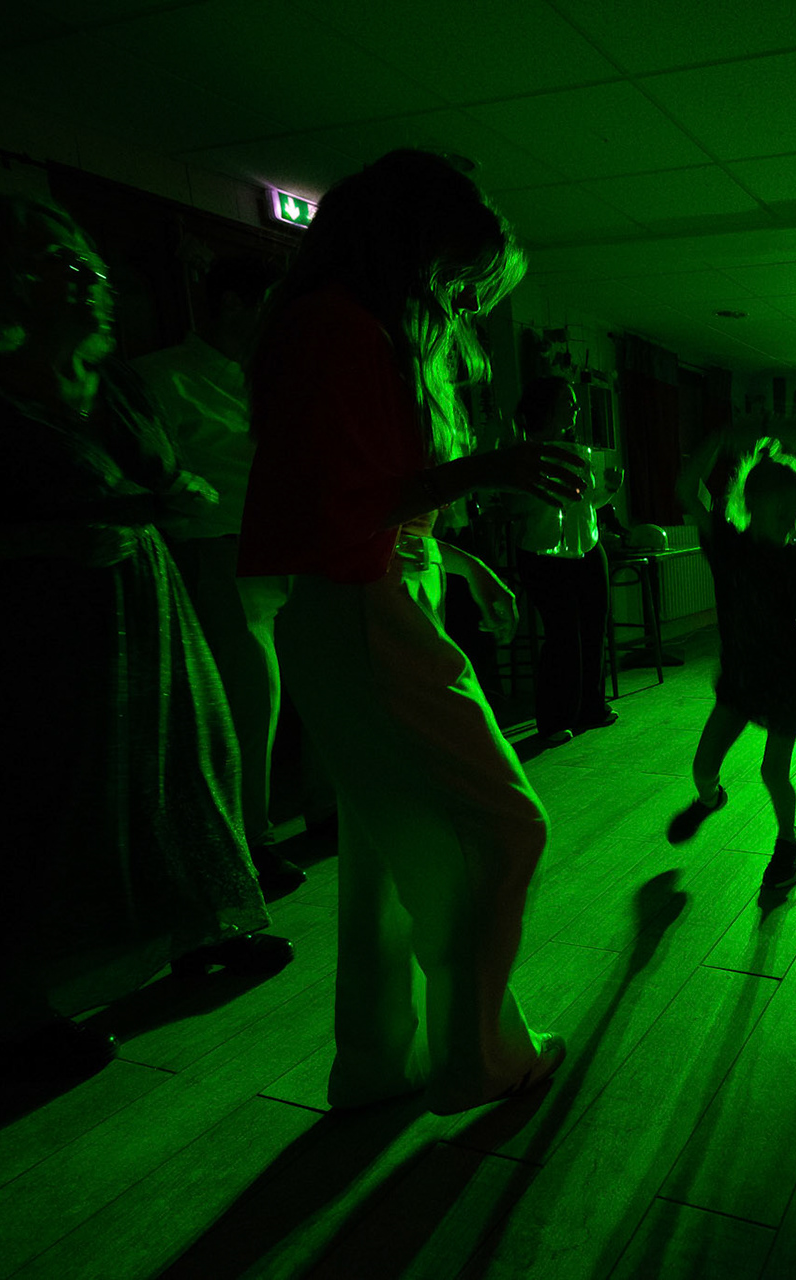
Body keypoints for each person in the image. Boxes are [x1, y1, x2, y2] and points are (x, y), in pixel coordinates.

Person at [0, 192, 291, 1081]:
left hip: (146, 610)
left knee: (180, 770)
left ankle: (201, 930)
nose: (89, 280)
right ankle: (12, 1020)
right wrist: (47, 538)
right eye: (60, 266)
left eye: (89, 264)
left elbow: (161, 480)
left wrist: (178, 495)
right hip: (32, 635)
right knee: (44, 812)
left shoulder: (110, 382)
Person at [240, 150, 583, 1114]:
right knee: (507, 827)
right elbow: (341, 512)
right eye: (459, 277)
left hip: (361, 600)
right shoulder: (342, 329)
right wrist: (484, 472)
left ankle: (377, 1064)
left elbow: (357, 501)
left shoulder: (340, 326)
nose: (463, 302)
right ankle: (478, 1057)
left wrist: (461, 561)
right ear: (410, 248)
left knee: (389, 853)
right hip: (364, 609)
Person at [134, 255, 308, 900]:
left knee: (305, 695)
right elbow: (150, 479)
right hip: (223, 554)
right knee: (248, 706)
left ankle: (321, 811)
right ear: (234, 302)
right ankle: (246, 845)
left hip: (294, 555)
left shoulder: (273, 377)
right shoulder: (159, 377)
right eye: (273, 306)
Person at [666, 430, 796, 892]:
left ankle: (788, 841)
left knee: (772, 772)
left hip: (786, 678)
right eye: (783, 511)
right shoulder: (727, 545)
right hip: (741, 677)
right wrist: (718, 436)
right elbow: (685, 489)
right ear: (753, 503)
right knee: (702, 767)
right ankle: (710, 799)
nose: (790, 522)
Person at [509, 375, 621, 744]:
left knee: (593, 630)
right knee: (562, 637)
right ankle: (554, 721)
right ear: (547, 406)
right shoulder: (524, 452)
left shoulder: (578, 450)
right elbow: (518, 506)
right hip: (543, 553)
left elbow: (584, 506)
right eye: (568, 401)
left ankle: (592, 708)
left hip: (587, 548)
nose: (576, 408)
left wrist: (609, 491)